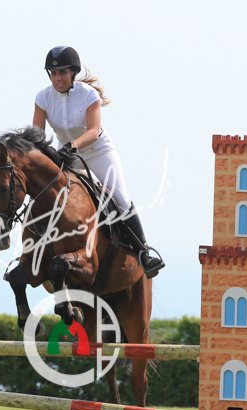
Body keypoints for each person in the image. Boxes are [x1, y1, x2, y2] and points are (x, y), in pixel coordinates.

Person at [32, 45, 165, 278]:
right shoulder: (42, 98)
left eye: (62, 72)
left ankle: (144, 252)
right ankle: (33, 251)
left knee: (120, 198)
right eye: (53, 73)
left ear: (73, 72)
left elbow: (93, 131)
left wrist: (73, 146)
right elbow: (37, 135)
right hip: (66, 153)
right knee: (45, 193)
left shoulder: (88, 95)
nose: (58, 78)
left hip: (98, 151)